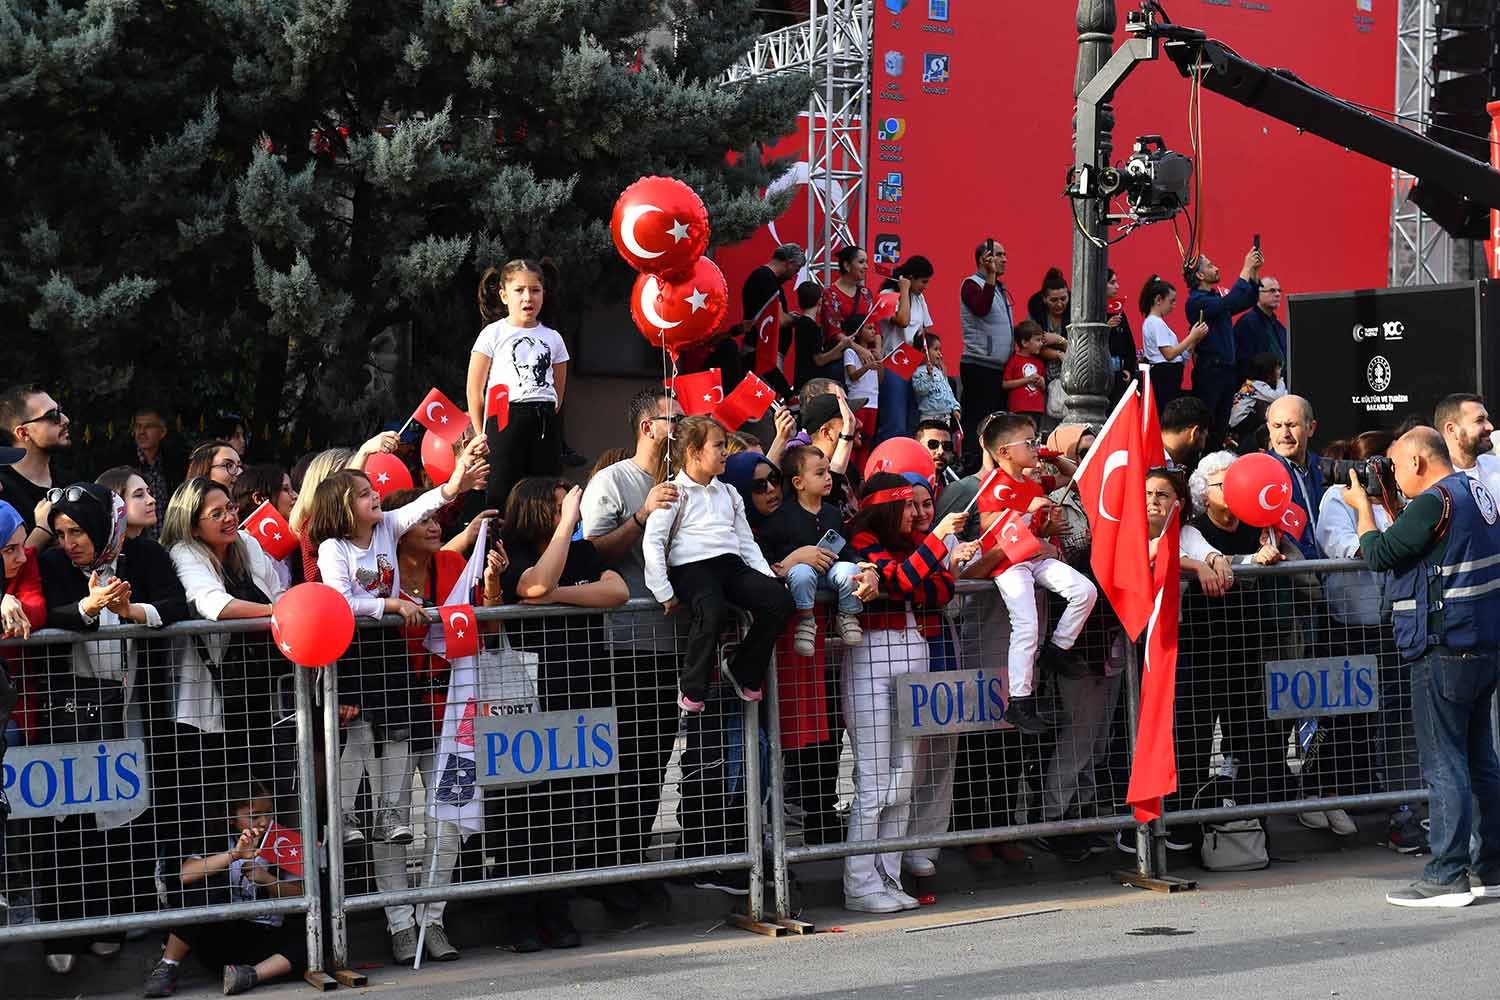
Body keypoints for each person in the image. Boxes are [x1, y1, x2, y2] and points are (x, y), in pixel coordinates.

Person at [310, 437, 488, 862]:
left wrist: (456, 483)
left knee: (399, 729)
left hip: (387, 646)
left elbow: (426, 504)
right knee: (356, 732)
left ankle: (390, 812)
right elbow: (341, 601)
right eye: (366, 494)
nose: (377, 497)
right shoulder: (333, 548)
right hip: (350, 647)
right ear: (343, 508)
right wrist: (390, 604)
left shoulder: (387, 525)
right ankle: (347, 815)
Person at [36, 482, 189, 973]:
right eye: (60, 533)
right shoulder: (55, 566)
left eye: (77, 531)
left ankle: (112, 923)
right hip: (69, 717)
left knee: (127, 818)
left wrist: (130, 612)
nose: (69, 543)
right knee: (67, 820)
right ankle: (60, 930)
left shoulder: (145, 556)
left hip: (131, 714)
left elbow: (176, 605)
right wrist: (87, 608)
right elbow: (44, 615)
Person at [1347, 427, 1500, 907]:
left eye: (1392, 465)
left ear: (1416, 461)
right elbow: (1434, 548)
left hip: (1444, 646)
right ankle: (1489, 866)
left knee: (1444, 763)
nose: (1388, 473)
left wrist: (1363, 511)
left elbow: (1381, 554)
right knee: (1480, 759)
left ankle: (1446, 875)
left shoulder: (1436, 501)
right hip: (1481, 642)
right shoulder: (1476, 491)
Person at [492, 478, 629, 947]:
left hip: (581, 693)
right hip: (526, 698)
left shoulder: (582, 551)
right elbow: (532, 582)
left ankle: (557, 909)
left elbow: (615, 591)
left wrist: (555, 597)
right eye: (557, 506)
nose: (566, 511)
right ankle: (521, 916)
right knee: (522, 810)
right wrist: (565, 527)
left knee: (570, 807)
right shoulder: (509, 548)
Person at [578, 387, 685, 903]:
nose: (682, 427)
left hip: (672, 643)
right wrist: (641, 515)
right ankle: (608, 871)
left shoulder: (688, 478)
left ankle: (635, 861)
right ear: (647, 427)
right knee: (621, 760)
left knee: (654, 761)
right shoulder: (613, 480)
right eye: (673, 419)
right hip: (624, 644)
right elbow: (592, 548)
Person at [842, 473, 967, 913]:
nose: (916, 514)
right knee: (875, 784)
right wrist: (933, 546)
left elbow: (938, 587)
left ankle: (889, 877)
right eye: (908, 506)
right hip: (870, 663)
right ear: (888, 507)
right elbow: (899, 582)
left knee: (906, 782)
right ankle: (859, 883)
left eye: (921, 506)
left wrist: (909, 577)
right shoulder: (861, 538)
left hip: (914, 659)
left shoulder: (912, 544)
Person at [161, 476, 290, 848]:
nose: (229, 518)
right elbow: (214, 605)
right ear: (192, 525)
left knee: (263, 792)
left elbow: (279, 591)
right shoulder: (183, 553)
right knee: (210, 802)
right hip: (203, 705)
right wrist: (276, 612)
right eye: (215, 513)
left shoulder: (246, 543)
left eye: (231, 508)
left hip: (257, 696)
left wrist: (281, 607)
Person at [642, 416, 793, 710]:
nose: (725, 452)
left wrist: (767, 577)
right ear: (694, 452)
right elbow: (654, 542)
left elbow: (746, 542)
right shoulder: (673, 492)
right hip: (691, 568)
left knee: (780, 600)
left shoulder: (729, 492)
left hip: (732, 566)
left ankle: (742, 669)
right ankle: (692, 687)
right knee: (711, 609)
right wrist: (663, 591)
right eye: (718, 445)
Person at [976, 413, 1098, 734]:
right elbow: (986, 524)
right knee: (1026, 626)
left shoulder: (1031, 480)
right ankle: (1020, 701)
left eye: (1036, 441)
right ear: (1004, 452)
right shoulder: (994, 484)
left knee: (1085, 591)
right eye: (1028, 443)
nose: (1035, 447)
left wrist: (1053, 456)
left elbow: (1079, 476)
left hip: (1034, 555)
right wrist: (1022, 511)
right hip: (1008, 562)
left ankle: (1057, 650)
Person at [142, 781, 305, 998]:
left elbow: (301, 895)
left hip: (265, 936)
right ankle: (167, 965)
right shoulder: (220, 840)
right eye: (254, 816)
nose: (264, 821)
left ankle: (249, 976)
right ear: (232, 818)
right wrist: (235, 855)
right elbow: (186, 874)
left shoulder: (283, 842)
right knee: (208, 887)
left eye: (269, 813)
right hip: (221, 933)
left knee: (318, 938)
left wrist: (267, 879)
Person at [468, 259, 569, 512]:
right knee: (501, 490)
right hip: (504, 415)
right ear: (504, 295)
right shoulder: (493, 333)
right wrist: (482, 433)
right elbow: (474, 389)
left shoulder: (553, 338)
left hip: (543, 418)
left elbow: (558, 391)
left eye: (535, 290)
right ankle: (495, 545)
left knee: (543, 491)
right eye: (519, 290)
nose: (528, 298)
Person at [756, 444, 869, 656]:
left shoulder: (833, 513)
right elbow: (767, 549)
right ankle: (807, 620)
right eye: (820, 473)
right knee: (801, 572)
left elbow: (844, 547)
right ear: (798, 483)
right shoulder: (782, 516)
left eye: (828, 471)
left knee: (849, 570)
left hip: (831, 572)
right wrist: (784, 562)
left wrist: (861, 563)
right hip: (801, 578)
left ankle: (847, 615)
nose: (828, 477)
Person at [1183, 244, 1264, 429]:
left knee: (1221, 426)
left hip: (1227, 371)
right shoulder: (1196, 302)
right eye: (1210, 266)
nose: (1217, 268)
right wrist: (1245, 267)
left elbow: (1248, 300)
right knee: (1206, 425)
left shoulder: (1215, 299)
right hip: (1210, 372)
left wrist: (1253, 271)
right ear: (1199, 275)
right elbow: (1231, 299)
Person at [958, 238, 1016, 461]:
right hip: (979, 364)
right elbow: (981, 308)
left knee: (995, 420)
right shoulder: (971, 284)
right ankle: (972, 461)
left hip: (997, 367)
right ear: (985, 259)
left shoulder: (998, 288)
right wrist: (990, 278)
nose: (1004, 260)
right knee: (977, 419)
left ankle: (990, 462)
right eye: (999, 255)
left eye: (1004, 255)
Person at [0, 384, 72, 544]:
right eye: (53, 415)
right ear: (23, 433)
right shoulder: (2, 491)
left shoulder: (70, 484)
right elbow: (8, 564)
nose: (65, 419)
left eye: (60, 410)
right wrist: (43, 530)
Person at [875, 256, 935, 442]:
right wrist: (904, 289)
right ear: (910, 277)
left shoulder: (919, 298)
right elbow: (902, 321)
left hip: (912, 362)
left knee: (912, 419)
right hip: (891, 362)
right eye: (923, 282)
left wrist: (928, 357)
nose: (925, 287)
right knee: (895, 421)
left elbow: (923, 330)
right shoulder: (887, 294)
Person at [1265, 395, 1324, 559]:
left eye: (1292, 425)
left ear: (1311, 428)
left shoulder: (1324, 469)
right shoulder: (1259, 474)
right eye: (1277, 426)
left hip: (1330, 574)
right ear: (1268, 428)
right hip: (1289, 579)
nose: (1285, 434)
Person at [1138, 274, 1209, 408]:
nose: (1174, 305)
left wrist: (1194, 340)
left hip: (1170, 375)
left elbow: (1180, 357)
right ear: (1158, 300)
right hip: (1163, 376)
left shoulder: (1157, 323)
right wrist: (1191, 337)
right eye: (1171, 301)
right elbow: (1169, 354)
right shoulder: (1155, 323)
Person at [233, 464, 300, 588]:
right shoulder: (243, 547)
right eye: (286, 490)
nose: (295, 496)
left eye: (292, 489)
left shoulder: (292, 540)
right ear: (259, 498)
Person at [118, 407, 180, 541]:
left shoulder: (174, 464)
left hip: (171, 540)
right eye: (138, 426)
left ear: (162, 432)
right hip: (135, 542)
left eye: (148, 427)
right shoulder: (122, 463)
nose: (141, 432)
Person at [743, 243, 806, 376]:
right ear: (789, 263)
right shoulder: (766, 279)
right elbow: (779, 320)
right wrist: (795, 319)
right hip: (763, 354)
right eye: (796, 269)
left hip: (763, 353)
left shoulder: (767, 279)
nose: (793, 276)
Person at [798, 392, 861, 522]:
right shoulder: (805, 476)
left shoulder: (850, 468)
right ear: (826, 433)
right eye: (848, 419)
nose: (858, 424)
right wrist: (847, 435)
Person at [1435, 392, 1500, 501]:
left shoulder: (1496, 466)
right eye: (1479, 420)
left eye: (1487, 419)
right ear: (1452, 430)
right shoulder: (1435, 481)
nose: (1490, 427)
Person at [790, 279, 848, 391]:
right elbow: (819, 360)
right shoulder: (812, 327)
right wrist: (842, 345)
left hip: (801, 380)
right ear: (819, 301)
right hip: (811, 385)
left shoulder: (801, 323)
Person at [842, 314, 881, 473]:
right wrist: (867, 366)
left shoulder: (873, 352)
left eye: (874, 328)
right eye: (869, 328)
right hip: (857, 401)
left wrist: (879, 362)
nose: (873, 332)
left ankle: (861, 475)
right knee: (853, 441)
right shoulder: (850, 352)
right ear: (858, 332)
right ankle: (849, 473)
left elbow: (880, 379)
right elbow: (852, 375)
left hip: (873, 402)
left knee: (866, 442)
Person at [819, 246, 873, 356]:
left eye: (866, 262)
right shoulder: (830, 294)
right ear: (847, 266)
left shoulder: (866, 293)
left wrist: (877, 349)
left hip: (867, 355)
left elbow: (875, 324)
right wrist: (860, 350)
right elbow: (835, 332)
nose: (866, 267)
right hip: (841, 355)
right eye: (861, 262)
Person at [1227, 352, 1286, 452]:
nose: (1279, 371)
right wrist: (1280, 381)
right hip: (1241, 420)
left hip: (1236, 420)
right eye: (1277, 368)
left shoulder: (1252, 383)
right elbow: (1277, 396)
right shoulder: (1258, 386)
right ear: (1268, 371)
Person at [1233, 275, 1288, 376]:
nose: (1277, 294)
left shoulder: (1279, 326)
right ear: (1257, 294)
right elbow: (1243, 362)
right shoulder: (1247, 323)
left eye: (1279, 291)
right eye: (1272, 291)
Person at [95, 466, 159, 541]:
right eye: (139, 495)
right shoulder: (95, 551)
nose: (152, 500)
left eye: (149, 493)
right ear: (114, 503)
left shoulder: (154, 550)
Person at [911, 333, 960, 429]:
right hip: (929, 417)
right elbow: (920, 390)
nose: (939, 353)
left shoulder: (939, 371)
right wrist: (929, 376)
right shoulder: (918, 372)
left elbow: (948, 391)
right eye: (936, 349)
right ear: (924, 352)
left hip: (945, 417)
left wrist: (955, 407)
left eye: (940, 350)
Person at [1105, 268, 1140, 404]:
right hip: (1100, 372)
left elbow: (1128, 343)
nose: (1117, 287)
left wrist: (1128, 369)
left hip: (1119, 372)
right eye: (1112, 283)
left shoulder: (1118, 311)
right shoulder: (1092, 310)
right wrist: (1106, 327)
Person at [1002, 320, 1048, 418]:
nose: (1041, 344)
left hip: (1037, 409)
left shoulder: (1039, 363)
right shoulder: (1013, 360)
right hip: (1018, 409)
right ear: (1024, 343)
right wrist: (1027, 380)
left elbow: (1043, 388)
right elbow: (1005, 384)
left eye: (1042, 340)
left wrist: (1042, 383)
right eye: (1037, 340)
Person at [1160, 395, 1213, 474]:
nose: (1204, 445)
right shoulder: (1149, 466)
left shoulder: (1141, 452)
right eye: (1205, 436)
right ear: (1195, 433)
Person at [914, 419, 959, 488]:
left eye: (947, 446)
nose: (940, 451)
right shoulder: (903, 484)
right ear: (916, 447)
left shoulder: (955, 488)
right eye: (933, 444)